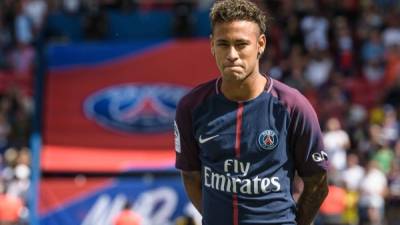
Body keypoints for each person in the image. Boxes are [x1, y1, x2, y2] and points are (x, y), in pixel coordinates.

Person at [174, 0, 329, 224]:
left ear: (261, 44)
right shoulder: (191, 106)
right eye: (223, 44)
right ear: (211, 45)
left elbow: (317, 182)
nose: (232, 54)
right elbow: (190, 175)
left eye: (241, 44)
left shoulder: (294, 106)